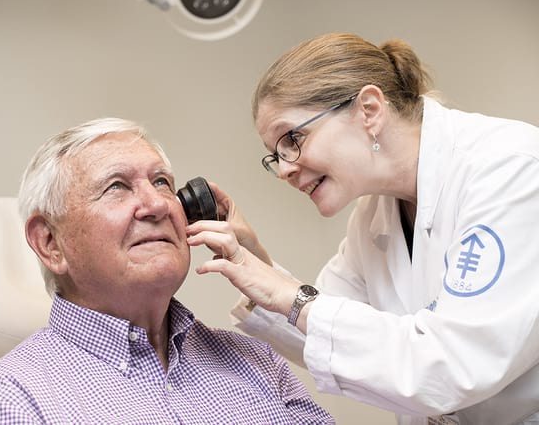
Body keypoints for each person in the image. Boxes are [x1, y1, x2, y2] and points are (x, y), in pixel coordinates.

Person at [186, 32, 539, 425]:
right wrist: (256, 265)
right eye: (276, 156)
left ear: (369, 110)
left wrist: (284, 293)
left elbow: (455, 367)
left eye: (293, 139)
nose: (284, 169)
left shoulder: (510, 171)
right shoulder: (373, 216)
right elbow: (325, 334)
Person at [0, 117, 335, 424]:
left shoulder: (257, 361)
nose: (157, 204)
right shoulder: (9, 405)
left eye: (162, 183)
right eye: (117, 187)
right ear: (50, 244)